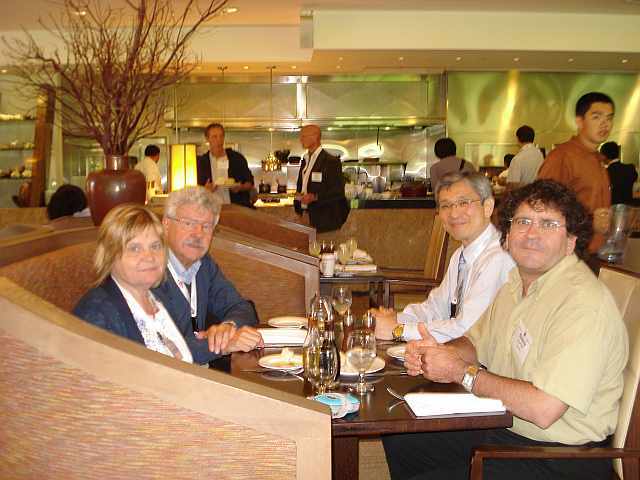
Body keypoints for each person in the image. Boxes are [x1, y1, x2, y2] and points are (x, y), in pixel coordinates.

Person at [383, 179, 628, 480]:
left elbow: (544, 408)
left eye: (549, 224)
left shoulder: (581, 303)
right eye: (523, 221)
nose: (532, 233)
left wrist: (463, 373)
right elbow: (475, 343)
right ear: (508, 233)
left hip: (562, 456)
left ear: (571, 240)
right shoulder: (516, 284)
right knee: (403, 436)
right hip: (509, 429)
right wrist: (440, 355)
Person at [373, 172, 515, 343]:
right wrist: (397, 319)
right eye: (446, 206)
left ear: (488, 207)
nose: (454, 214)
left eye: (463, 203)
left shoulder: (498, 258)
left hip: (484, 363)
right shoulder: (461, 255)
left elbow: (466, 328)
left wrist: (398, 330)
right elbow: (435, 308)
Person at [73, 204, 219, 364]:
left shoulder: (155, 295)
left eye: (155, 246)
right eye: (135, 248)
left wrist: (222, 342)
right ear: (110, 255)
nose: (149, 257)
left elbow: (172, 353)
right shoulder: (97, 315)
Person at [154, 186, 262, 355]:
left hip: (199, 372)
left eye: (206, 226)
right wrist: (221, 345)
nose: (198, 234)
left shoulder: (203, 265)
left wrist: (228, 328)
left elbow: (241, 307)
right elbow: (159, 347)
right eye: (188, 223)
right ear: (166, 224)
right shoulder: (149, 270)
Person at [537, 92, 614, 252]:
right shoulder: (562, 156)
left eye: (609, 118)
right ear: (579, 121)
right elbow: (543, 207)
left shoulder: (597, 159)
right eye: (596, 117)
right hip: (570, 253)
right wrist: (590, 221)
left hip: (596, 250)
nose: (604, 124)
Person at [294, 124, 349, 233]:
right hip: (306, 215)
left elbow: (337, 192)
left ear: (315, 137)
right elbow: (302, 186)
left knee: (324, 249)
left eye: (304, 136)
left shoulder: (331, 161)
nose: (301, 139)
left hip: (324, 218)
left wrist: (315, 197)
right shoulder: (305, 159)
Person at [196, 123, 254, 208]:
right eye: (214, 137)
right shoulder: (201, 162)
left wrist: (240, 187)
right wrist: (204, 190)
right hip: (211, 209)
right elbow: (194, 190)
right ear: (207, 139)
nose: (219, 140)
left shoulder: (237, 159)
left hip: (236, 208)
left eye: (221, 136)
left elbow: (250, 183)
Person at [601, 141, 638, 205]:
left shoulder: (604, 172)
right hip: (628, 206)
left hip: (612, 208)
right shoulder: (630, 168)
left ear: (604, 156)